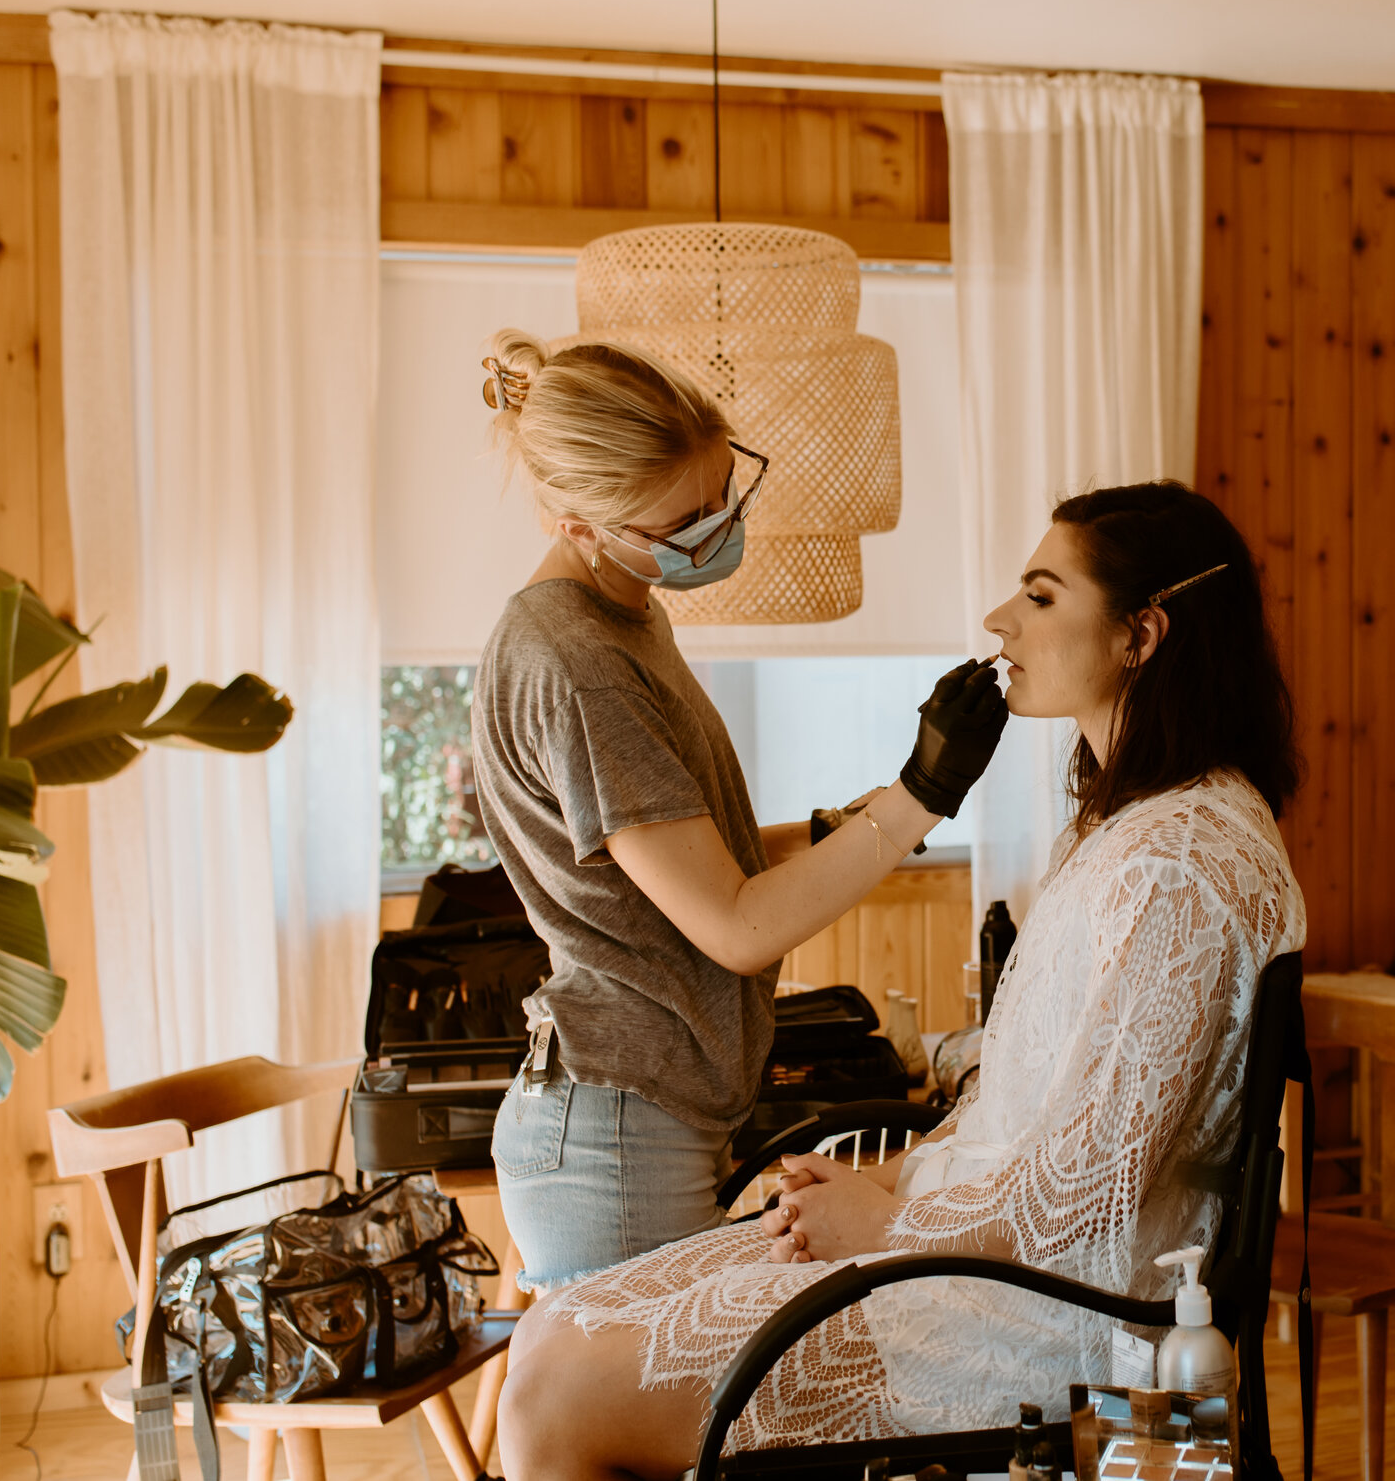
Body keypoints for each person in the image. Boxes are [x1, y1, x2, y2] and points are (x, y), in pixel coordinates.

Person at [498, 480, 1307, 1481]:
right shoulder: (1129, 828)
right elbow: (1034, 1119)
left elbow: (1092, 1189)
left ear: (1142, 635)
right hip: (979, 1253)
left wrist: (888, 1220)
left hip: (1058, 1325)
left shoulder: (1178, 865)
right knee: (551, 1334)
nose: (998, 619)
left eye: (1043, 597)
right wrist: (887, 1172)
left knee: (559, 1396)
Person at [470, 328, 1009, 1292]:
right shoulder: (578, 661)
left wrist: (843, 825)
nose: (716, 523)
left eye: (723, 489)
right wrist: (919, 797)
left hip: (656, 1113)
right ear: (580, 521)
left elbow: (690, 859)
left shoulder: (625, 610)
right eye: (684, 517)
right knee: (663, 1437)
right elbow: (734, 925)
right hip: (619, 1136)